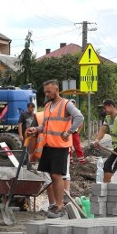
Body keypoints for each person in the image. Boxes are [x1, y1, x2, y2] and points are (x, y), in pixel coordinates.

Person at [26, 79, 84, 218]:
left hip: (60, 146)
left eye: (49, 91)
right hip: (48, 145)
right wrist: (36, 130)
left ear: (57, 90)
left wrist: (69, 131)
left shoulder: (66, 104)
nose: (47, 94)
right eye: (45, 92)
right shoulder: (47, 106)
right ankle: (55, 205)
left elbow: (79, 117)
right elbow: (45, 126)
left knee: (57, 176)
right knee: (50, 177)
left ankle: (59, 206)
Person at [93, 99, 117, 182]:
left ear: (111, 106)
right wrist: (97, 140)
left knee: (108, 166)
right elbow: (103, 130)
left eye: (105, 108)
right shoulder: (108, 118)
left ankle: (106, 187)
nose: (104, 110)